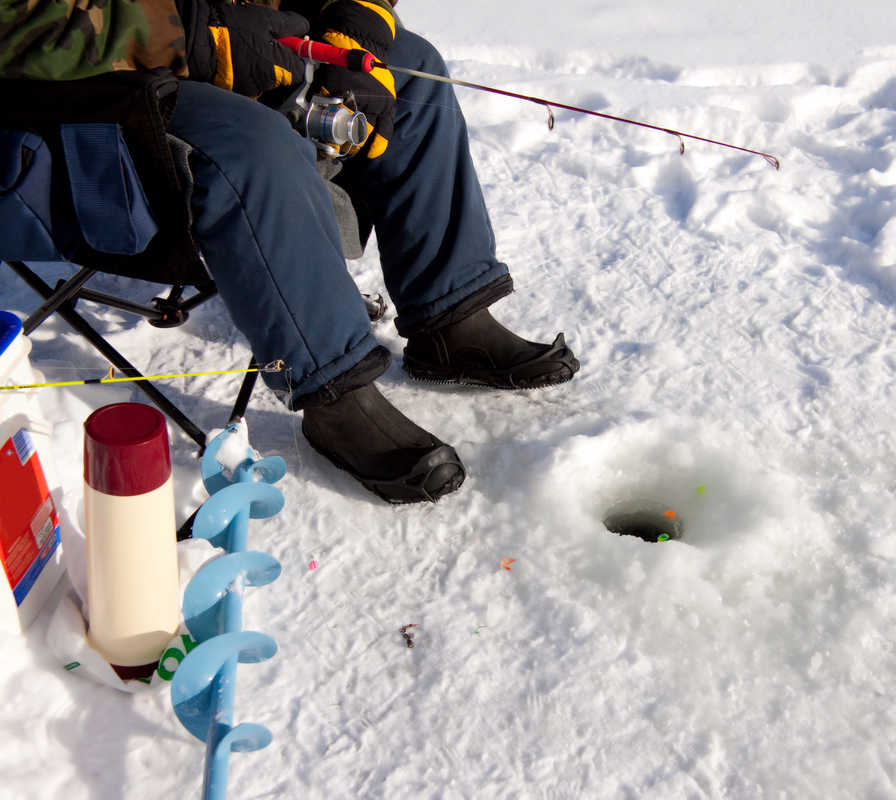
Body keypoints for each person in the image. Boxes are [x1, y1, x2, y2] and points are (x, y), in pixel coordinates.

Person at [0, 0, 580, 504]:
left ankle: (450, 315)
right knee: (252, 145)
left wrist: (356, 31)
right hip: (67, 92)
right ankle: (336, 395)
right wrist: (193, 36)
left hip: (214, 49)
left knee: (412, 68)